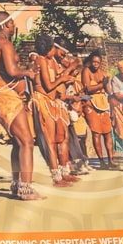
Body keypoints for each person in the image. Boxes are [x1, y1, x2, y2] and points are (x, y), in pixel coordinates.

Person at [0, 11, 44, 201]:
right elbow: (12, 71)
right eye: (13, 24)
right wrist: (29, 73)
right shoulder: (4, 43)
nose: (14, 27)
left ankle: (17, 185)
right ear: (6, 25)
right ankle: (26, 189)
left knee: (19, 142)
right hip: (4, 96)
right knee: (27, 141)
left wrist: (27, 70)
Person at [30, 35, 80, 187]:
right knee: (50, 140)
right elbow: (49, 85)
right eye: (53, 48)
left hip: (54, 102)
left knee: (63, 138)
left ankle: (65, 172)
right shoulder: (40, 60)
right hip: (43, 101)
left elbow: (57, 78)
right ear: (48, 49)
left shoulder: (51, 61)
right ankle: (56, 177)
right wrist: (63, 79)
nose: (54, 51)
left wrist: (66, 77)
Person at [80, 52, 116, 169]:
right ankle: (101, 161)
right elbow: (88, 89)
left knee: (107, 133)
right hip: (91, 103)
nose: (96, 64)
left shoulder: (102, 73)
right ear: (90, 62)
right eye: (94, 62)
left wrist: (108, 84)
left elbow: (108, 90)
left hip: (102, 103)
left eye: (98, 62)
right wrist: (101, 85)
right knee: (96, 133)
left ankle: (111, 159)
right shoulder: (86, 71)